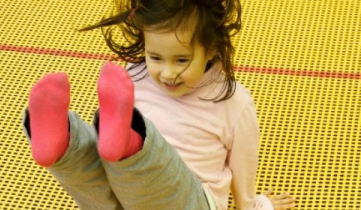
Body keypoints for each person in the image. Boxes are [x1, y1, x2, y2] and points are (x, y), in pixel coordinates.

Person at [22, 0, 296, 209]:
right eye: (155, 57)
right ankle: (64, 147)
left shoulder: (233, 101)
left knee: (124, 176)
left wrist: (255, 204)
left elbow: (242, 166)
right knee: (101, 179)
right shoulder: (135, 75)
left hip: (191, 199)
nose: (167, 73)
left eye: (181, 60)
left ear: (211, 49)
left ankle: (99, 150)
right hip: (127, 195)